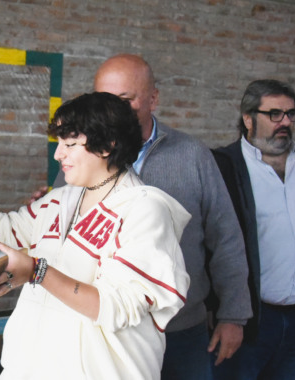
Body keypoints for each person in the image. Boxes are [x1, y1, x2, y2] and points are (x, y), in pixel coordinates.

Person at [0, 92, 191, 379]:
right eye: (59, 143)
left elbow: (114, 305)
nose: (58, 154)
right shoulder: (59, 201)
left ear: (107, 146)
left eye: (70, 144)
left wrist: (37, 272)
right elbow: (1, 232)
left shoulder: (144, 210)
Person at [41, 54, 252, 379]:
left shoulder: (192, 155)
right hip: (102, 331)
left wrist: (233, 315)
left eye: (125, 100)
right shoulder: (80, 154)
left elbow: (226, 239)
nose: (113, 112)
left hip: (180, 333)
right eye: (105, 100)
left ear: (153, 99)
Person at [211, 79, 295, 379]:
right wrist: (225, 315)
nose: (284, 122)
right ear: (248, 118)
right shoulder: (224, 168)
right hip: (248, 321)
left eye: (290, 114)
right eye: (274, 114)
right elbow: (212, 244)